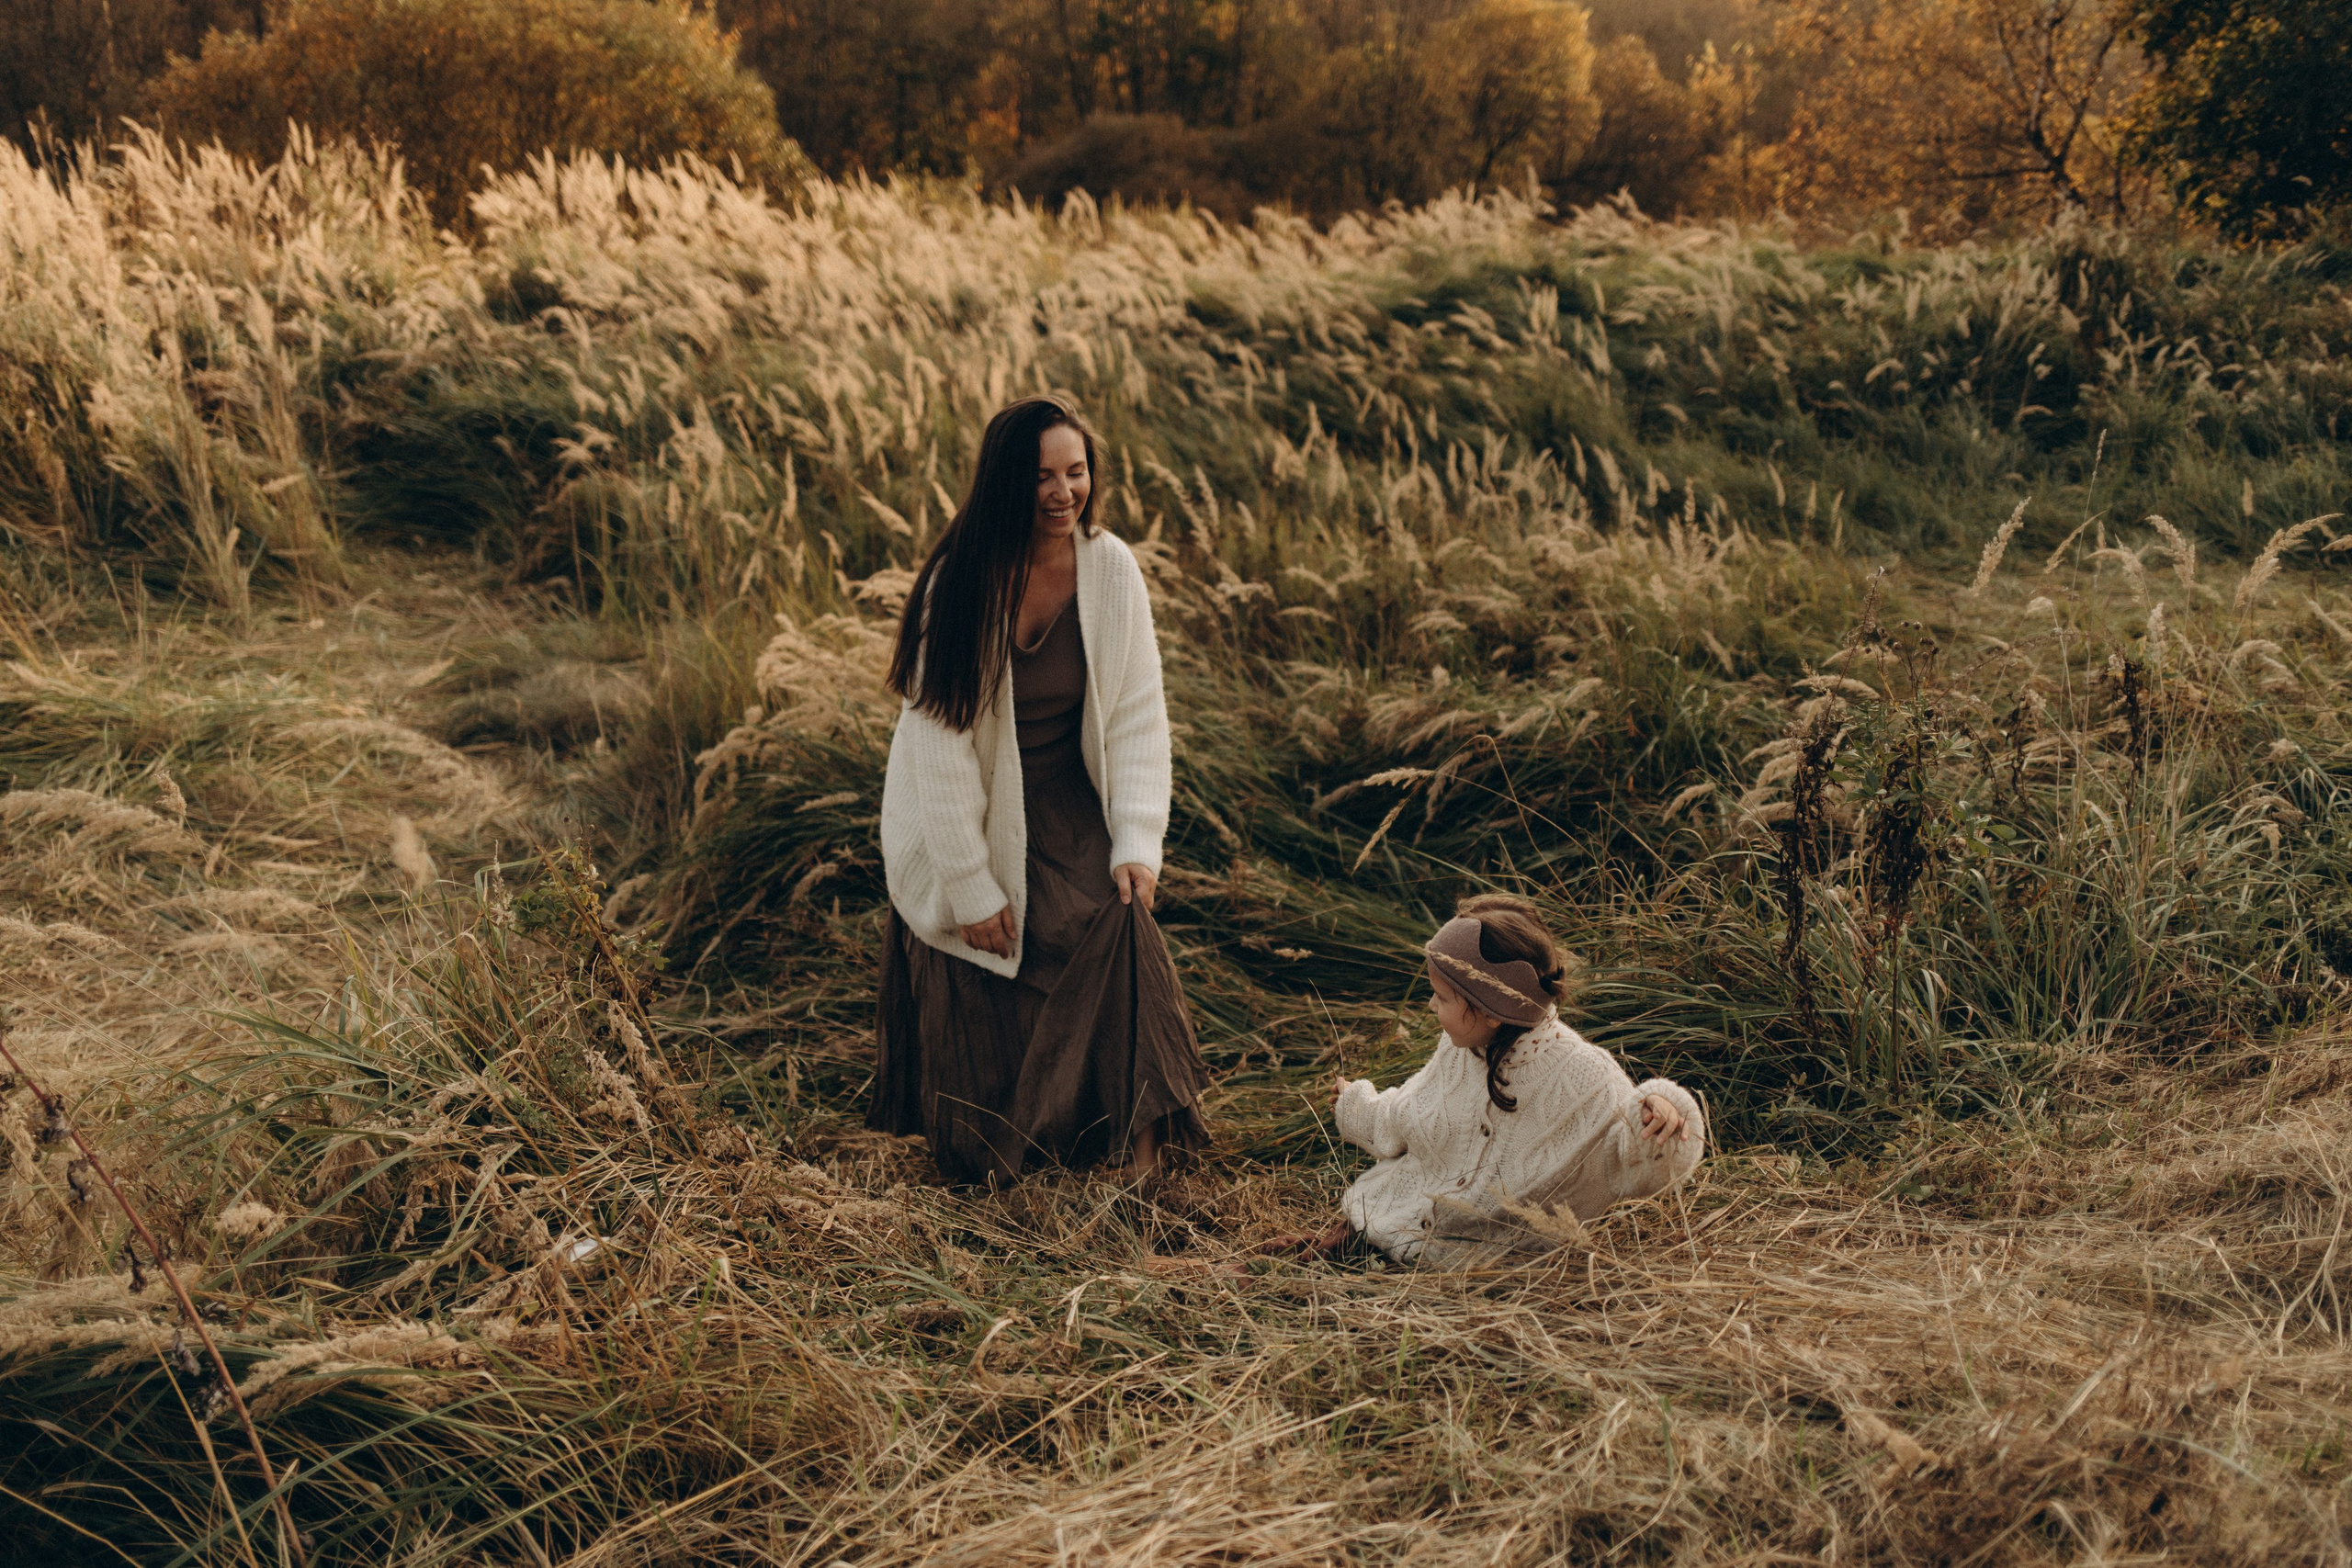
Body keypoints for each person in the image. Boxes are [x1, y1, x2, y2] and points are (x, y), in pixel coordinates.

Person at [867, 394, 1209, 1184]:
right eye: (1043, 477)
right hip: (969, 810)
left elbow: (1136, 717)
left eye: (1077, 471)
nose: (1063, 493)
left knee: (1120, 920)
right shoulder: (958, 584)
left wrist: (1136, 841)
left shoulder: (1111, 569)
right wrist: (970, 883)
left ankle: (1141, 1158)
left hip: (1067, 796)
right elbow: (939, 747)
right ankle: (1011, 1151)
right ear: (1005, 483)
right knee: (997, 942)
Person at [1319, 894, 1704, 1264]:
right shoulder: (1461, 1048)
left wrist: (1663, 1118)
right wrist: (1356, 1105)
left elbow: (1637, 1163)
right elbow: (1412, 1113)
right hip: (1396, 1218)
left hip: (1488, 1258)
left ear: (1490, 1011)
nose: (1432, 1004)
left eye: (1441, 996)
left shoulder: (1588, 1079)